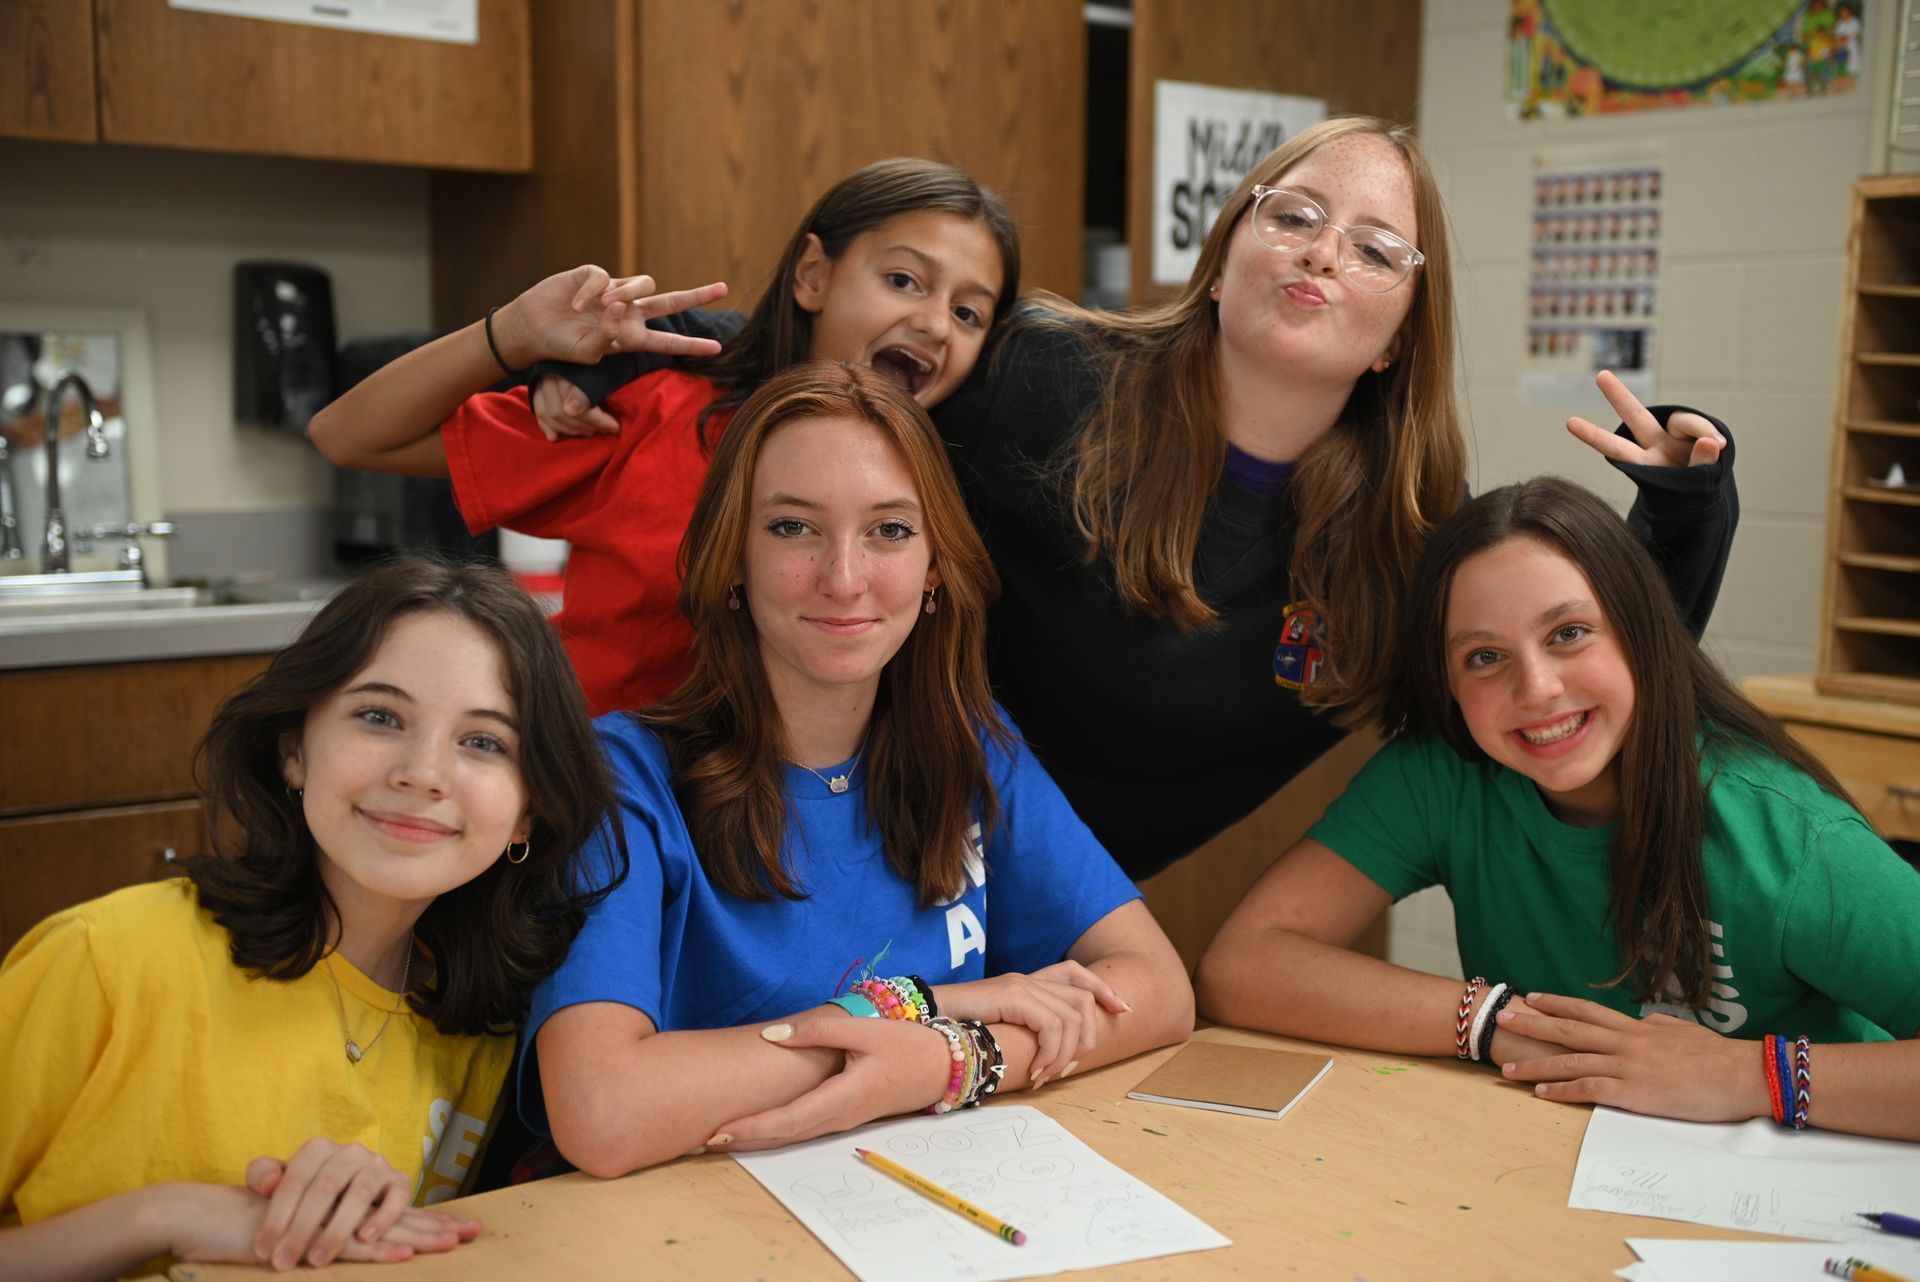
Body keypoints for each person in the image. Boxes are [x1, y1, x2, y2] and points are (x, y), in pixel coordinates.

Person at [532, 117, 1737, 881]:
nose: (1324, 253)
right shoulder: (1043, 371)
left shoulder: (1410, 537)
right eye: (1295, 215)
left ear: (1395, 338)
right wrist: (610, 360)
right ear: (1223, 260)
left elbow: (1563, 700)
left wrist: (1684, 512)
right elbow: (842, 367)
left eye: (1377, 250)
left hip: (1072, 923)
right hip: (830, 856)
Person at [526, 362, 1193, 1177]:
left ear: (936, 566)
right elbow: (602, 1111)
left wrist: (949, 1061)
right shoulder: (621, 778)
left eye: (890, 531)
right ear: (730, 558)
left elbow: (1159, 992)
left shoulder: (975, 752)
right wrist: (919, 1012)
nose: (843, 579)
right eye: (792, 528)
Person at [1195, 477, 1920, 1141]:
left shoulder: (1789, 834)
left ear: (1640, 631)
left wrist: (1748, 1077)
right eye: (1484, 657)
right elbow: (1244, 962)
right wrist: (1493, 1021)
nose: (1537, 688)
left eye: (1568, 633)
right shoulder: (1444, 775)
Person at [0, 555, 626, 1278]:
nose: (422, 773)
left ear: (528, 812)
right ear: (295, 751)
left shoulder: (483, 1024)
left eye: (483, 742)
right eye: (379, 716)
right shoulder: (104, 960)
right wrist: (165, 1216)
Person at [308, 158, 1019, 717]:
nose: (935, 323)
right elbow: (351, 436)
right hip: (594, 797)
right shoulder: (657, 413)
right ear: (813, 275)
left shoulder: (947, 486)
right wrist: (512, 335)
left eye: (968, 313)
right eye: (903, 280)